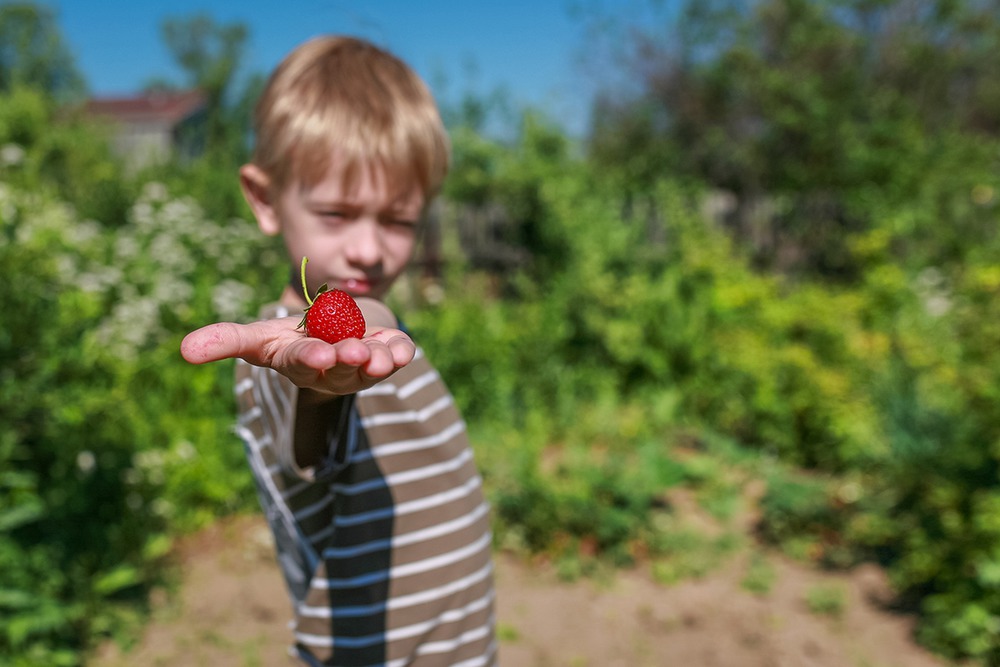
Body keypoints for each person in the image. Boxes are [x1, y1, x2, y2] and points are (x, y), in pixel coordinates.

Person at [180, 36, 496, 666]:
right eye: (336, 212)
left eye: (399, 220)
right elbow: (307, 432)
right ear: (266, 199)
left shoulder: (388, 336)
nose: (370, 250)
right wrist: (320, 389)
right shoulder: (277, 349)